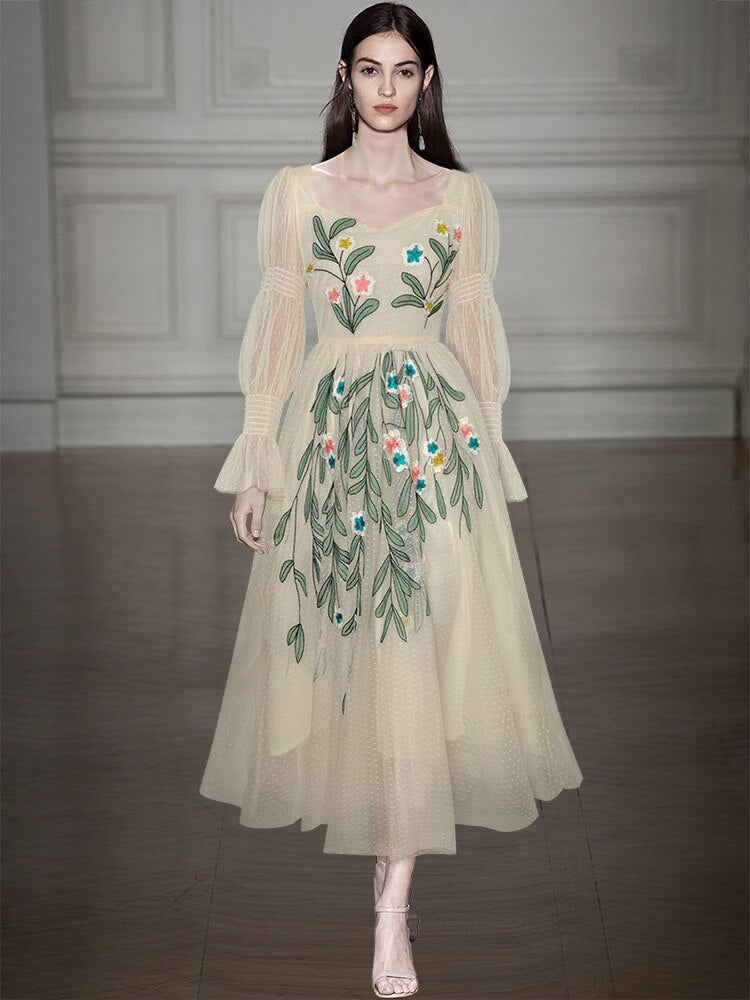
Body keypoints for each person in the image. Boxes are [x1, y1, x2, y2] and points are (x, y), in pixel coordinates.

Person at [199, 3, 583, 996]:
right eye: (369, 68)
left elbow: (476, 333)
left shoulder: (462, 197)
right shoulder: (298, 193)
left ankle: (393, 909)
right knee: (357, 647)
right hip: (331, 440)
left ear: (426, 82)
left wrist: (490, 454)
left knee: (423, 639)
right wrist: (257, 461)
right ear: (345, 76)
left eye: (404, 70)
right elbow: (277, 327)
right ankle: (385, 859)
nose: (385, 87)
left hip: (437, 441)